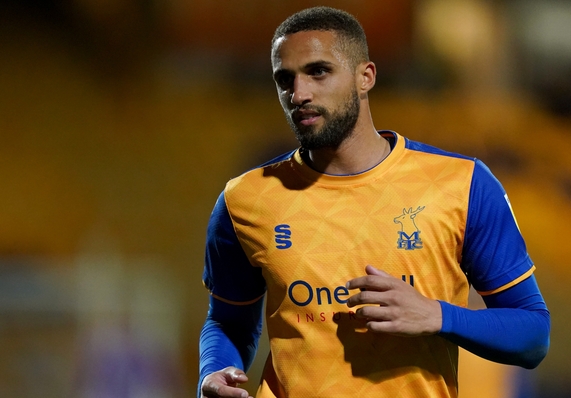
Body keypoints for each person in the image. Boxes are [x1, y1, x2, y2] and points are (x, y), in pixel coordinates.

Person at [198, 6, 550, 398]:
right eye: (285, 79)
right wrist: (214, 371)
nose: (299, 94)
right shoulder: (244, 200)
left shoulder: (462, 185)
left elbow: (533, 335)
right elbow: (228, 321)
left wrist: (438, 316)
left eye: (318, 71)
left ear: (365, 77)